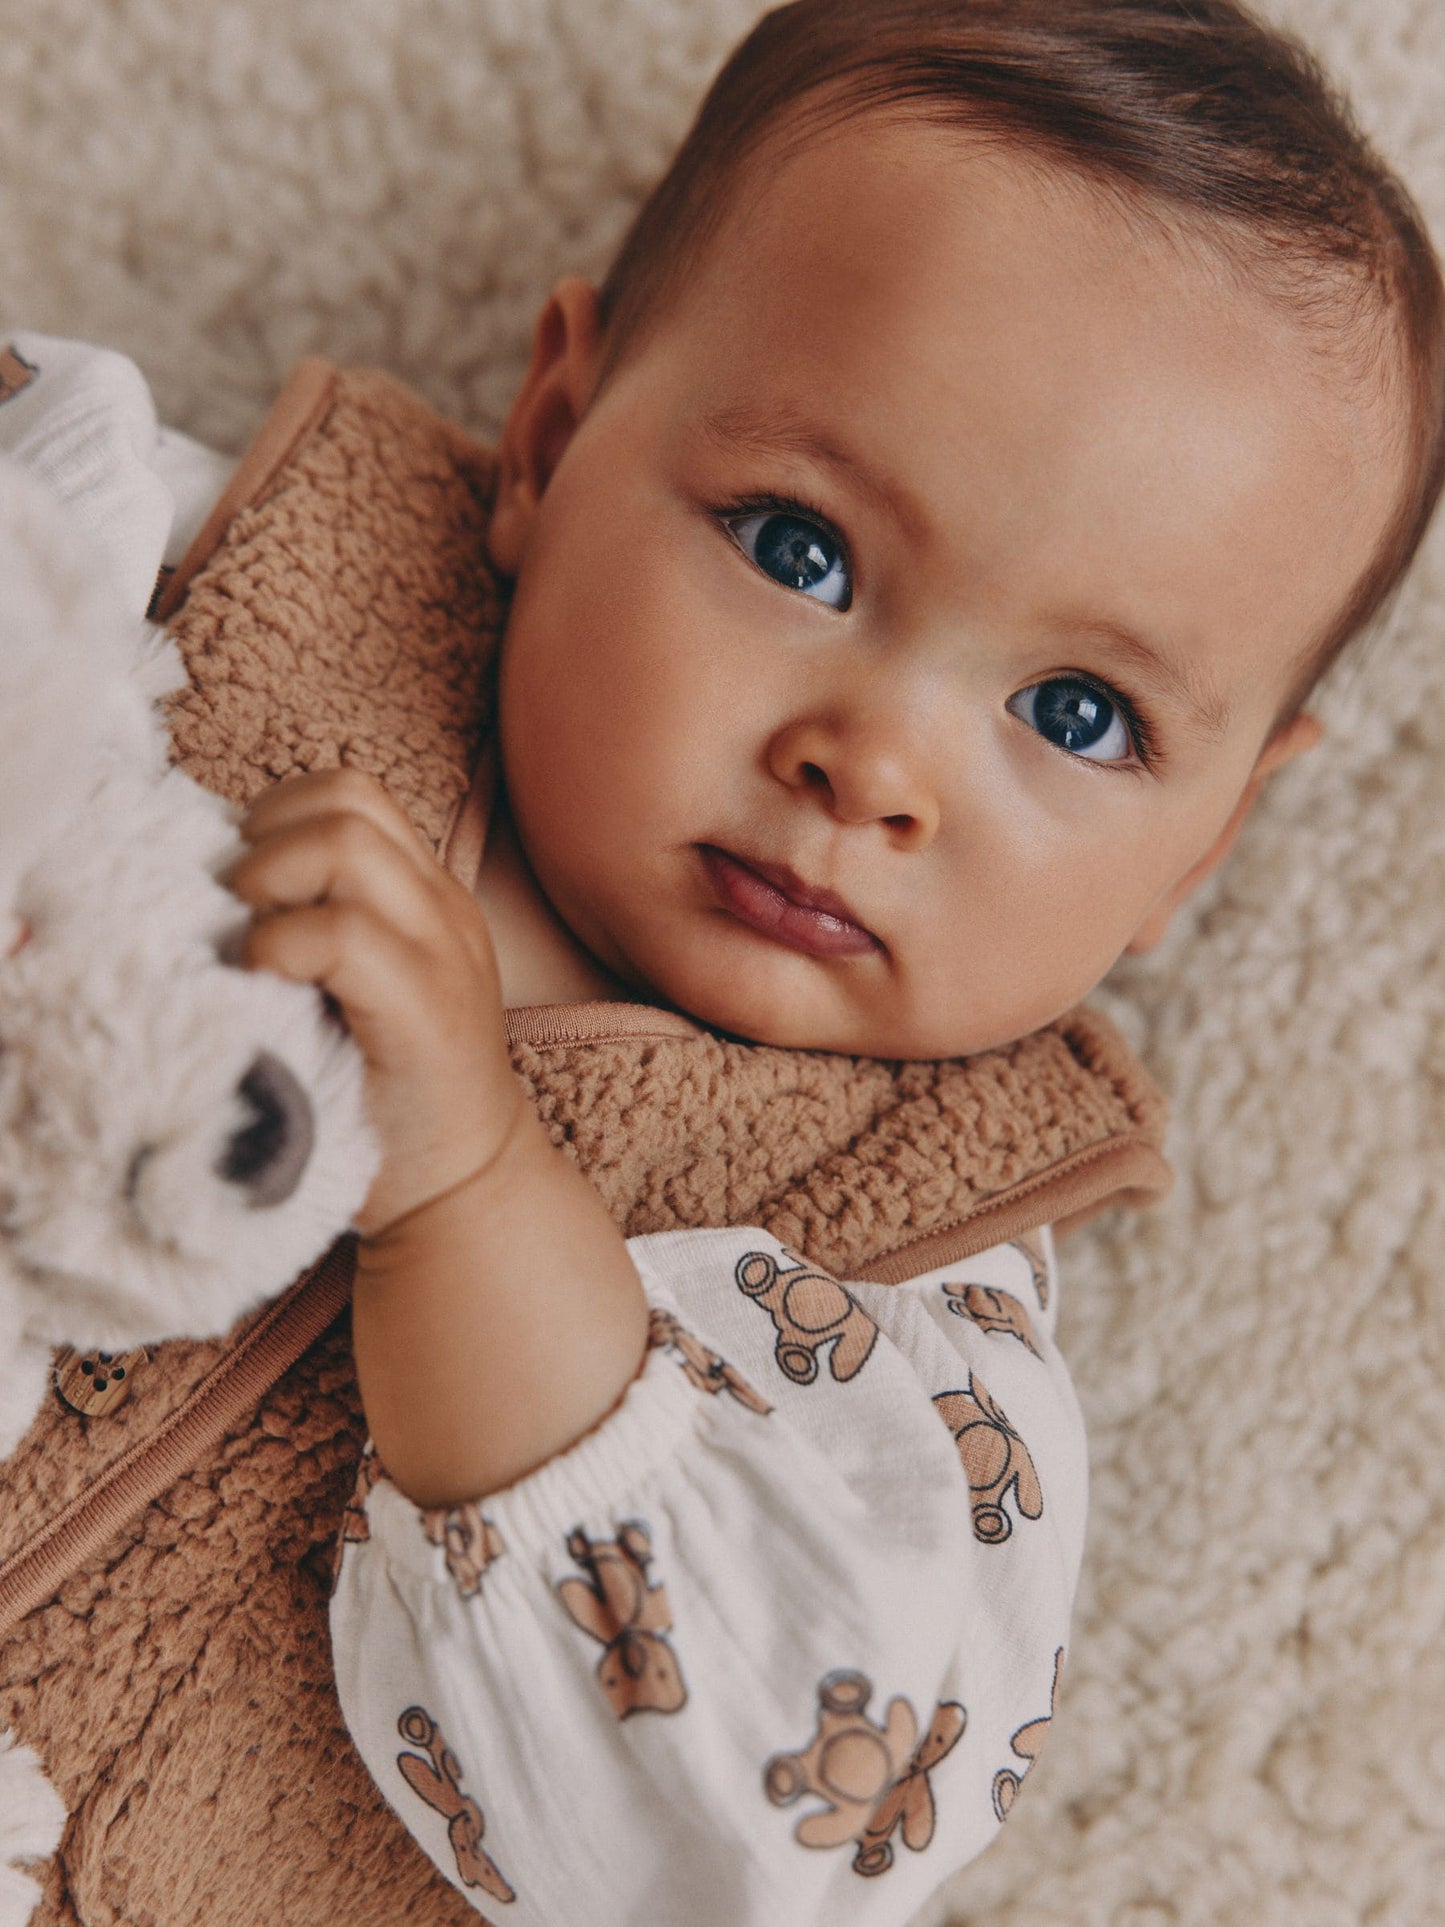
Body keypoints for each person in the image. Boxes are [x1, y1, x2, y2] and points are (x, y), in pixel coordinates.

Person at [1, 1, 1441, 1922]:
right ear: (551, 438)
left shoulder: (920, 1328)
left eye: (1079, 713)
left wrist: (468, 1193)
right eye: (799, 547)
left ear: (1210, 841)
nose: (875, 762)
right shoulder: (231, 580)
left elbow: (739, 1839)